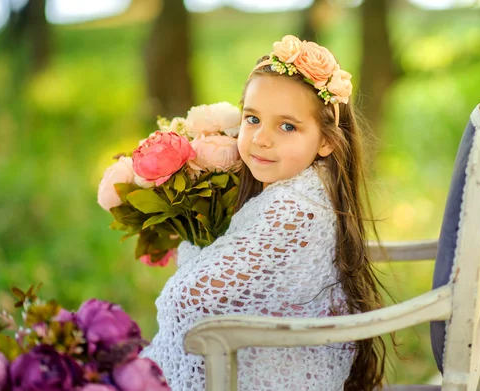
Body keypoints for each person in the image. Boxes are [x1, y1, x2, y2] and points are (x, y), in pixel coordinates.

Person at [142, 35, 387, 391]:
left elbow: (189, 298)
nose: (261, 139)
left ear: (327, 141)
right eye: (253, 118)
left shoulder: (293, 208)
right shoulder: (308, 186)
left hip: (271, 375)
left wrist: (198, 257)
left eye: (287, 126)